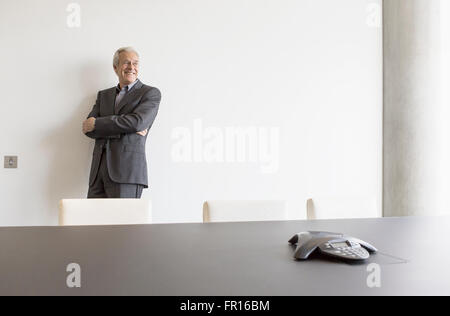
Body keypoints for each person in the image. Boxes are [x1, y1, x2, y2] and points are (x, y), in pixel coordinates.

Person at [82, 47, 161, 198]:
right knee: (93, 221)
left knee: (125, 221)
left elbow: (137, 122)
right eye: (126, 63)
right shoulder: (103, 95)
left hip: (127, 173)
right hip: (98, 173)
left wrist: (99, 124)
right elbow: (88, 128)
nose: (131, 67)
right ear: (115, 67)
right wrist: (125, 125)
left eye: (135, 63)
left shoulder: (150, 93)